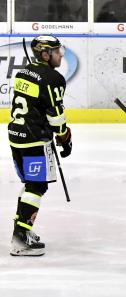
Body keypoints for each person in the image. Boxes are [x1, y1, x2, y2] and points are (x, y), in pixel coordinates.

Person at [8, 35, 72, 256]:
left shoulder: (23, 72)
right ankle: (19, 238)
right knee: (37, 186)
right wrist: (65, 137)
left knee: (30, 184)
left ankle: (22, 228)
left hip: (16, 135)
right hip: (34, 139)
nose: (60, 54)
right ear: (45, 54)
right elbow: (55, 115)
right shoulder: (53, 78)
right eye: (56, 51)